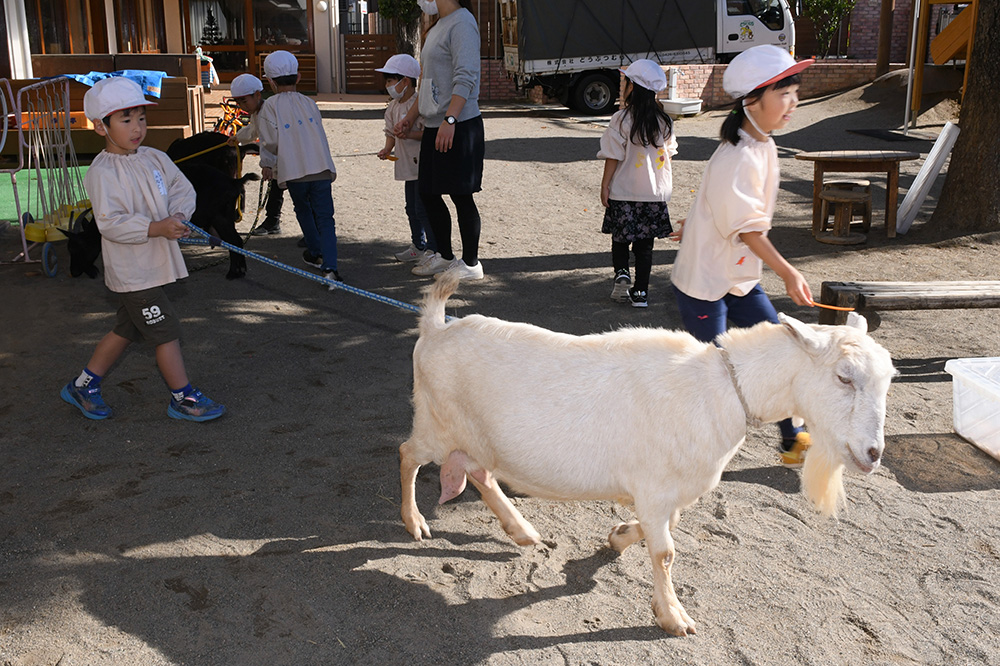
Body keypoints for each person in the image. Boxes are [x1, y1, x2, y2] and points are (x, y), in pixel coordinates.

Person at [670, 45, 814, 466]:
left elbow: (722, 206)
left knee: (783, 348)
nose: (793, 102)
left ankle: (794, 438)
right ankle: (686, 448)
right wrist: (788, 272)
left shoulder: (761, 145)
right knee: (714, 369)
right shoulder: (738, 155)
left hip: (739, 277)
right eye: (783, 92)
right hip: (704, 282)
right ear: (752, 100)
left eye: (794, 91)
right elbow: (749, 228)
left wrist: (693, 223)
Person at [60, 77, 225, 422]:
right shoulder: (102, 173)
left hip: (154, 264)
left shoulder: (154, 157)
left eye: (141, 118)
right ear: (100, 126)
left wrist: (179, 214)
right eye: (125, 119)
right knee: (165, 330)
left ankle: (83, 385)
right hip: (133, 271)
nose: (137, 128)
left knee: (128, 328)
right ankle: (183, 397)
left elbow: (181, 186)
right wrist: (156, 228)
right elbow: (111, 223)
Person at [393, 0, 485, 281]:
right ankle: (445, 256)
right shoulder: (436, 26)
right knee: (428, 193)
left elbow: (465, 76)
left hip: (459, 124)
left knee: (460, 194)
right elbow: (428, 83)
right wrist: (410, 116)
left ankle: (471, 264)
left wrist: (451, 120)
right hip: (436, 124)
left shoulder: (463, 22)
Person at [257, 50, 342, 287]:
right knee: (326, 218)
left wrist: (268, 163)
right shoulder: (309, 102)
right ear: (299, 77)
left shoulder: (270, 106)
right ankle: (331, 267)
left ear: (270, 82)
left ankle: (315, 252)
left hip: (294, 170)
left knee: (303, 210)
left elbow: (270, 142)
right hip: (321, 167)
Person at [598, 60, 677, 308]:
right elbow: (670, 152)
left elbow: (613, 156)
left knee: (620, 238)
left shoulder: (620, 119)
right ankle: (641, 293)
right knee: (645, 245)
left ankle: (622, 272)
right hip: (653, 194)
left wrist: (605, 185)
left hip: (624, 190)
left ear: (631, 87)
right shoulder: (664, 121)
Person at [374, 54, 437, 265]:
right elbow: (390, 132)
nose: (387, 85)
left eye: (391, 80)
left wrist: (409, 135)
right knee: (411, 208)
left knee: (423, 208)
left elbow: (429, 134)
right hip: (406, 166)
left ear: (405, 81)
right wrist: (386, 149)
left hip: (423, 165)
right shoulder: (392, 106)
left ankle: (433, 249)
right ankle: (418, 245)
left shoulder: (420, 104)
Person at [229, 73, 285, 237]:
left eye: (244, 101)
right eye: (239, 103)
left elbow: (270, 140)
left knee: (295, 194)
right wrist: (238, 137)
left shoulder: (266, 113)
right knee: (276, 191)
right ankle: (273, 221)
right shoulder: (258, 113)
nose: (242, 106)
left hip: (284, 158)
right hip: (280, 158)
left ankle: (275, 222)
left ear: (258, 95)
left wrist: (267, 164)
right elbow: (253, 131)